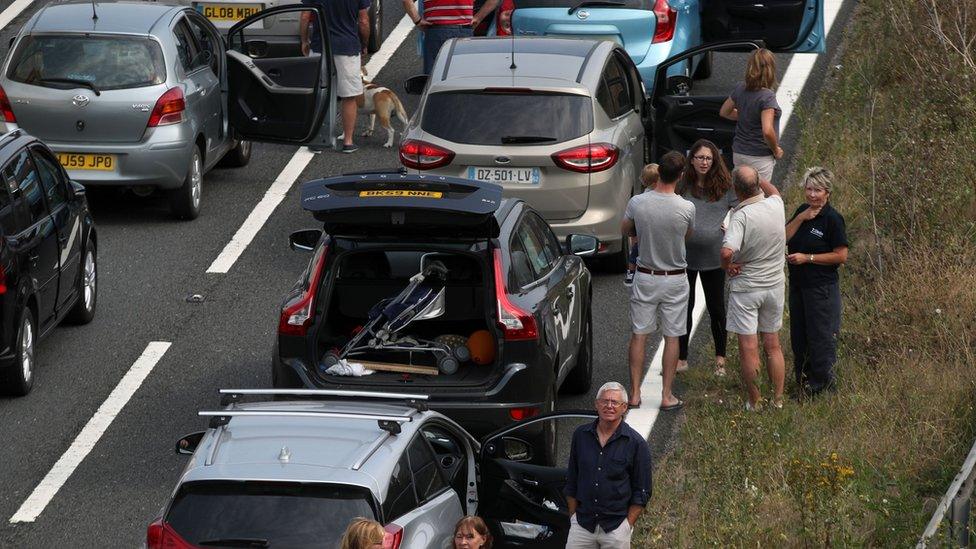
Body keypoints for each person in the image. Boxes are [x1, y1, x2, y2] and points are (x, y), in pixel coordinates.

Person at [622, 151, 695, 410]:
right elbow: (685, 235)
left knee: (639, 333)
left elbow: (626, 229)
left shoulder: (638, 203)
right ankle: (666, 395)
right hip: (675, 278)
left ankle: (634, 393)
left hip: (646, 275)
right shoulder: (686, 207)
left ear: (658, 173)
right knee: (672, 335)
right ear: (681, 176)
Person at [721, 166, 787, 410]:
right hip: (774, 285)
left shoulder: (741, 217)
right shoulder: (776, 205)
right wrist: (761, 179)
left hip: (748, 288)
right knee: (773, 345)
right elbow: (775, 191)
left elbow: (727, 251)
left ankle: (755, 402)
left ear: (735, 189)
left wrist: (727, 266)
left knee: (749, 348)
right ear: (758, 184)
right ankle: (778, 400)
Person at [564, 382, 652, 548]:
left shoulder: (636, 444)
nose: (609, 406)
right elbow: (572, 479)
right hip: (582, 524)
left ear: (624, 407)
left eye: (615, 402)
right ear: (597, 404)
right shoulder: (580, 436)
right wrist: (573, 516)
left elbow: (643, 490)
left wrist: (627, 525)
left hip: (616, 528)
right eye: (604, 401)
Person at [785, 167, 848, 395]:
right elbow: (783, 237)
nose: (812, 195)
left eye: (817, 190)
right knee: (799, 338)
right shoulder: (803, 211)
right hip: (798, 287)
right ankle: (803, 383)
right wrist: (801, 218)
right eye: (809, 189)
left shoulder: (832, 219)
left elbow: (841, 256)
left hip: (821, 289)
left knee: (821, 338)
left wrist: (808, 258)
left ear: (827, 192)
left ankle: (823, 387)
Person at [676, 139, 737, 376]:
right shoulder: (683, 184)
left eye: (709, 158)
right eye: (700, 157)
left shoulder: (725, 186)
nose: (704, 162)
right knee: (685, 307)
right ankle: (681, 357)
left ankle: (720, 358)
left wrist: (731, 228)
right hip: (685, 258)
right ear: (692, 159)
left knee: (717, 309)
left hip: (714, 259)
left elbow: (742, 208)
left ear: (715, 161)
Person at [300, 0, 370, 153]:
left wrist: (304, 41)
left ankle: (318, 140)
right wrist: (364, 43)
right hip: (348, 46)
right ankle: (348, 142)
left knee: (320, 93)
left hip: (320, 45)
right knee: (349, 96)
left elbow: (305, 16)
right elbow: (363, 21)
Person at [718, 48, 783, 183]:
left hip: (739, 152)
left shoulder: (740, 88)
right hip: (759, 156)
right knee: (758, 196)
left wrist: (744, 116)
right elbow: (767, 130)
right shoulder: (767, 97)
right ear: (771, 69)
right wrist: (775, 149)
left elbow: (724, 112)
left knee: (740, 192)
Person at [403, 0, 499, 74]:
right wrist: (478, 18)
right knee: (463, 75)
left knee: (434, 76)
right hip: (464, 31)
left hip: (436, 31)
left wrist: (418, 20)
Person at [624, 163, 660, 287]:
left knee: (634, 253)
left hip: (640, 232)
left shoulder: (638, 199)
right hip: (655, 233)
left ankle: (630, 273)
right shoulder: (661, 196)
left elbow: (627, 229)